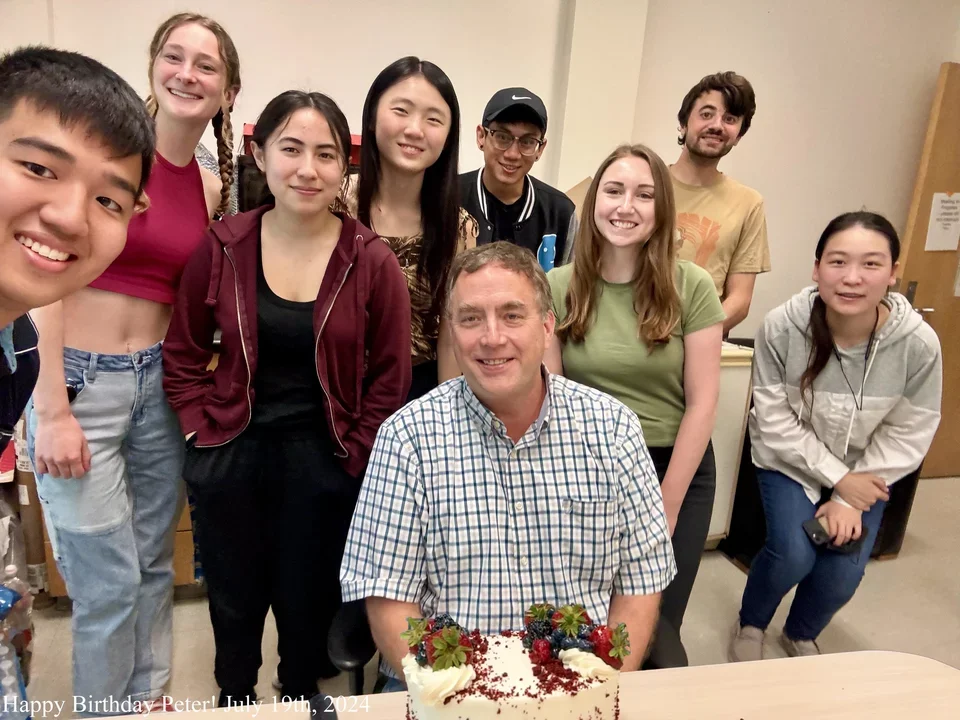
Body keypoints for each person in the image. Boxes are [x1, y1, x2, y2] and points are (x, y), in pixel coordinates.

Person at [163, 91, 411, 705]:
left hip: (325, 460)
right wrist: (199, 432)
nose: (308, 169)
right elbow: (184, 352)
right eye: (291, 149)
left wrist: (355, 452)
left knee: (309, 603)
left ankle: (302, 698)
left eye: (326, 154)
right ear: (260, 154)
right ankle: (235, 698)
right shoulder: (224, 244)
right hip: (231, 453)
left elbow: (390, 376)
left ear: (344, 167)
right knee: (233, 600)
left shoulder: (369, 259)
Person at [340, 241, 677, 692]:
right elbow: (389, 598)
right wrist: (459, 699)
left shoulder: (614, 430)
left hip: (579, 685)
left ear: (547, 326)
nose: (491, 337)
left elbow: (640, 585)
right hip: (446, 691)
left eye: (512, 315)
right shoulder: (407, 439)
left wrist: (599, 692)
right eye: (471, 318)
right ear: (452, 333)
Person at [25, 13, 241, 712]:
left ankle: (150, 701)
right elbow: (45, 276)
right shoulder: (107, 157)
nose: (188, 73)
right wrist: (51, 408)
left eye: (206, 65)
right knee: (106, 584)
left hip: (158, 390)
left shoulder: (207, 189)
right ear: (152, 65)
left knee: (152, 568)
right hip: (80, 385)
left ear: (226, 90)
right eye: (175, 57)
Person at [729, 212, 942, 662]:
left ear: (893, 272)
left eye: (870, 265)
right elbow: (773, 420)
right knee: (793, 552)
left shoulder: (918, 344)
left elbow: (911, 428)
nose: (851, 278)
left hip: (869, 469)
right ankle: (751, 623)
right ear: (816, 268)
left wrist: (848, 495)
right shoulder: (783, 328)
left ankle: (801, 631)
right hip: (789, 458)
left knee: (843, 569)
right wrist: (836, 479)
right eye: (838, 262)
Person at [545, 144, 724, 652]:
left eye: (644, 195)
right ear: (594, 201)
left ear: (661, 209)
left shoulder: (693, 286)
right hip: (589, 467)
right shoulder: (559, 286)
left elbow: (704, 403)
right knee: (587, 618)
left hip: (674, 467)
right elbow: (553, 401)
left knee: (653, 625)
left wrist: (663, 505)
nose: (626, 206)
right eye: (614, 190)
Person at [0, 46, 154, 456]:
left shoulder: (18, 355)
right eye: (39, 169)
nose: (70, 219)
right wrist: (53, 414)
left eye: (108, 201)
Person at [339, 56, 476, 399]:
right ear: (371, 117)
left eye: (433, 119)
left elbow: (450, 338)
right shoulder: (333, 202)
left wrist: (445, 425)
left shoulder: (459, 229)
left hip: (417, 391)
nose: (415, 129)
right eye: (401, 111)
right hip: (332, 387)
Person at [670, 71, 770, 334]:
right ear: (683, 123)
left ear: (738, 135)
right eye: (706, 114)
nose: (717, 125)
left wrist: (691, 337)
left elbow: (740, 300)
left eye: (730, 119)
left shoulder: (749, 203)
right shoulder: (645, 185)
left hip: (700, 348)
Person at [459, 87, 577, 270]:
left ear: (540, 148)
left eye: (528, 141)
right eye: (502, 137)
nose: (513, 154)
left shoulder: (560, 213)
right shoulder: (448, 197)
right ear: (481, 136)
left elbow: (568, 288)